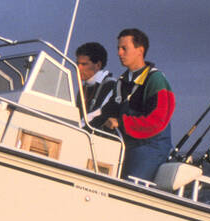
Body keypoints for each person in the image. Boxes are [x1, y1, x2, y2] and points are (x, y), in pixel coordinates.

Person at [98, 28, 175, 181]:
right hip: (126, 146)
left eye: (124, 48)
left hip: (150, 148)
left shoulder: (156, 80)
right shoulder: (121, 82)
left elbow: (157, 121)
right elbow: (106, 113)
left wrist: (121, 122)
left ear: (140, 51)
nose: (119, 53)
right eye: (118, 49)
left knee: (128, 185)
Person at [74, 41, 114, 127]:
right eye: (77, 64)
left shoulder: (111, 86)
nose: (78, 68)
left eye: (84, 64)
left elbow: (100, 114)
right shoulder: (83, 88)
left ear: (98, 65)